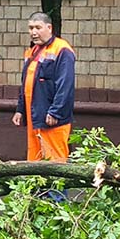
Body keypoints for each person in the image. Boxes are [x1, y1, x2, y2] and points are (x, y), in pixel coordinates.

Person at [13, 12, 76, 162]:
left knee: (55, 161)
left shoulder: (62, 50)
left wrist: (56, 112)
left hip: (51, 119)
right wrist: (20, 110)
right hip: (34, 116)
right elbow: (26, 83)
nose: (33, 32)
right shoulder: (32, 51)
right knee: (35, 160)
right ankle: (38, 186)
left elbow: (65, 85)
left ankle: (57, 187)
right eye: (30, 28)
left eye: (38, 28)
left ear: (49, 28)